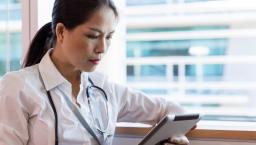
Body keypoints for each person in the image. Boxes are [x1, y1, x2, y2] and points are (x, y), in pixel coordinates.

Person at [0, 0, 193, 145]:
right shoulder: (18, 87)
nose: (102, 48)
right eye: (93, 36)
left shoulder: (104, 89)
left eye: (109, 37)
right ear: (60, 32)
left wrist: (174, 134)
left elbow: (174, 111)